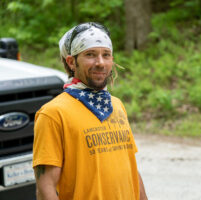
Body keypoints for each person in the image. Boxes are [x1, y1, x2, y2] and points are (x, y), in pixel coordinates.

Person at [32, 22, 148, 200]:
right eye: (90, 55)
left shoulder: (116, 105)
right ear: (71, 62)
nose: (100, 63)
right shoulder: (53, 113)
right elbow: (45, 188)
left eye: (106, 55)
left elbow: (130, 167)